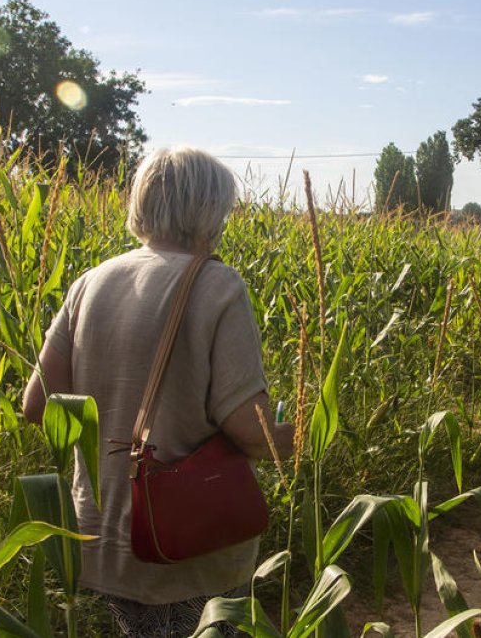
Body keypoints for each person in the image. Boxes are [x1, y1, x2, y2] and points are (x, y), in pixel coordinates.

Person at [22, 147, 294, 637]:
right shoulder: (218, 285)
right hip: (191, 540)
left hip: (106, 533)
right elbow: (247, 429)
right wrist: (293, 435)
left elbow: (38, 405)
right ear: (210, 209)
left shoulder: (90, 282)